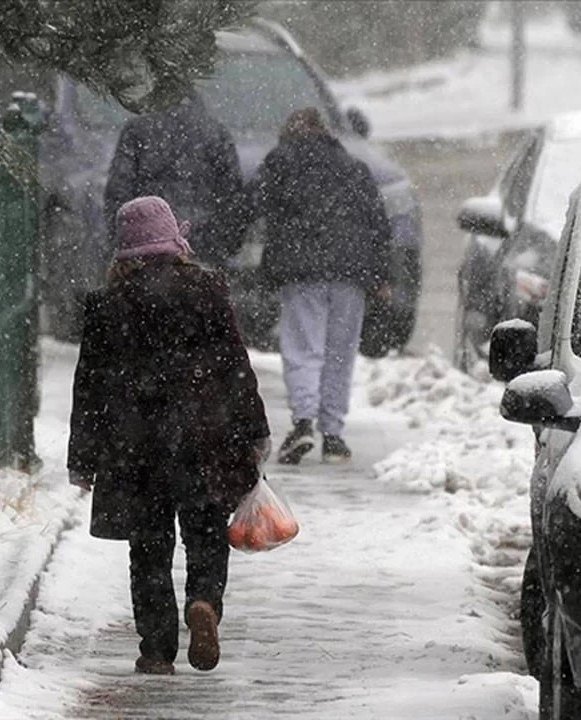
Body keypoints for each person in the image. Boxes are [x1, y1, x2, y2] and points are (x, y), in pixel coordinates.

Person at [68, 196, 271, 675]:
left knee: (149, 546)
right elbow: (234, 366)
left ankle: (156, 649)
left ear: (124, 247)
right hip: (204, 437)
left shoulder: (106, 305)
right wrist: (254, 429)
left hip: (135, 446)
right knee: (205, 532)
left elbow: (89, 386)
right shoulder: (206, 290)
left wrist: (83, 455)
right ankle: (203, 601)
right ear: (174, 240)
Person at [249, 107, 393, 465]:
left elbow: (249, 205)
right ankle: (333, 435)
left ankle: (302, 423)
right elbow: (378, 223)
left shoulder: (281, 161)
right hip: (351, 271)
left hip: (302, 271)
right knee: (340, 353)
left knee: (303, 348)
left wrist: (221, 244)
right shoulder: (353, 167)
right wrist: (381, 275)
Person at [104, 83, 245, 266]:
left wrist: (121, 239)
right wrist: (226, 242)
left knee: (151, 291)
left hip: (149, 241)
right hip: (203, 240)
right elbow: (232, 193)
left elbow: (119, 189)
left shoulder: (137, 130)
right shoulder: (216, 132)